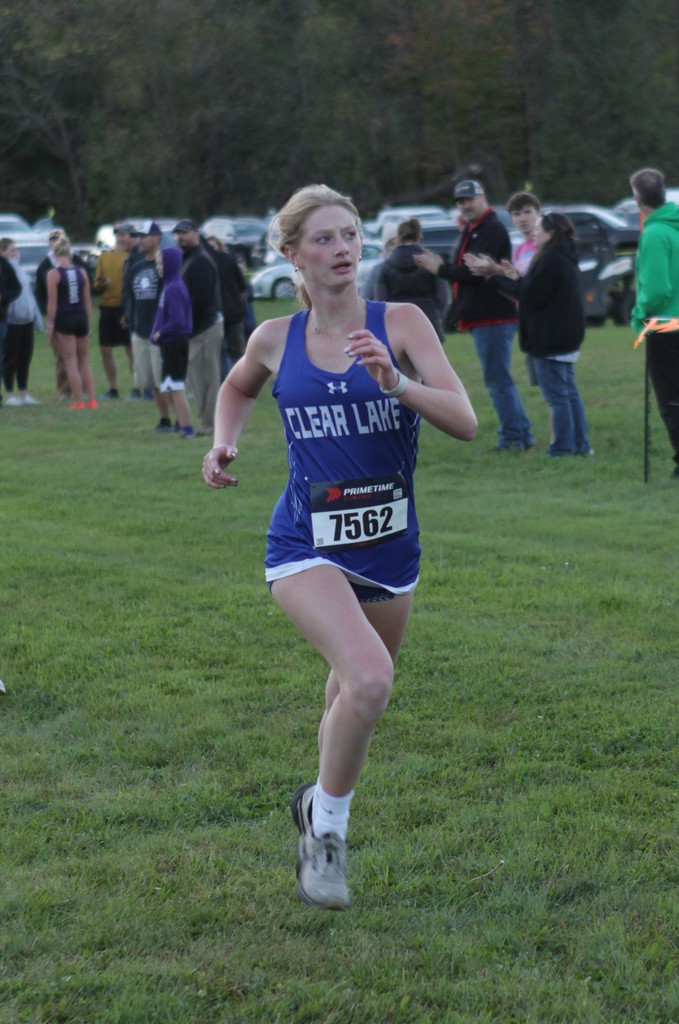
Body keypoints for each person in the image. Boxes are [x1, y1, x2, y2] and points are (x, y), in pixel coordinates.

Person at [202, 184, 477, 910]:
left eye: (351, 235)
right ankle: (327, 834)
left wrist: (396, 383)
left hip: (389, 550)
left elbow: (465, 419)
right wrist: (222, 443)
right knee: (369, 681)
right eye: (323, 239)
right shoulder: (274, 337)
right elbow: (235, 389)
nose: (343, 249)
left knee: (347, 697)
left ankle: (311, 801)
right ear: (291, 254)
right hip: (305, 543)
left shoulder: (403, 322)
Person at [414, 179, 535, 452]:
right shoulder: (474, 229)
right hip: (484, 316)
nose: (465, 205)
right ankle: (520, 434)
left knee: (497, 380)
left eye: (469, 199)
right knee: (498, 379)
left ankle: (515, 437)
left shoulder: (490, 229)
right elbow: (466, 267)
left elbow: (475, 271)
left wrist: (441, 269)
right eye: (460, 201)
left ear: (483, 198)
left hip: (494, 315)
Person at [469, 212, 590, 457]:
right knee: (569, 392)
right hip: (566, 334)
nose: (534, 233)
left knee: (557, 396)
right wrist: (514, 276)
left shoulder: (550, 259)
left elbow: (528, 295)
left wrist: (492, 277)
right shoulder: (564, 256)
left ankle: (563, 448)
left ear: (551, 233)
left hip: (550, 338)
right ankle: (580, 445)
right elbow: (536, 288)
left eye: (539, 229)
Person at [629, 167, 679, 476]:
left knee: (671, 398)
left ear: (637, 198)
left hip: (665, 325)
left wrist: (638, 313)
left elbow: (658, 289)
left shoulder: (655, 234)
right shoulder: (674, 228)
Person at [173, 219, 222, 436]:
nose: (180, 237)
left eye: (184, 232)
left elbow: (201, 300)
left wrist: (188, 327)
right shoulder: (188, 259)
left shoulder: (200, 260)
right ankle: (205, 422)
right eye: (178, 233)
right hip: (196, 329)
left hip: (205, 328)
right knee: (198, 379)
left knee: (208, 380)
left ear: (196, 234)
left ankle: (210, 425)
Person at [123, 220, 173, 432]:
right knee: (150, 381)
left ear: (156, 237)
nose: (140, 240)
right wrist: (130, 317)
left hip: (160, 331)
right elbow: (128, 294)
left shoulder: (166, 264)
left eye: (144, 236)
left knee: (165, 379)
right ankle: (164, 419)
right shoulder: (136, 265)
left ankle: (181, 418)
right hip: (140, 329)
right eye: (139, 236)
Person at [375, 218, 449, 341]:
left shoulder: (386, 266)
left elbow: (380, 300)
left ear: (398, 237)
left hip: (397, 324)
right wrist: (438, 315)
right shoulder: (430, 262)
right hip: (429, 322)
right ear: (418, 235)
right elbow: (443, 298)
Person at [46, 235, 97, 410]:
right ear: (70, 253)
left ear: (54, 254)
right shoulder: (81, 272)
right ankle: (91, 400)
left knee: (70, 362)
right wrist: (88, 323)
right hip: (81, 317)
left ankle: (77, 401)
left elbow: (52, 304)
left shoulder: (54, 274)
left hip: (64, 319)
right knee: (84, 361)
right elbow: (88, 301)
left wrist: (50, 325)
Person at [151, 247, 194, 438]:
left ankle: (187, 429)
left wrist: (161, 332)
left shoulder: (174, 287)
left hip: (175, 342)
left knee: (176, 387)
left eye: (160, 263)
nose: (157, 267)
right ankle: (181, 425)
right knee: (168, 386)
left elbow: (177, 320)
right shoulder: (168, 286)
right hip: (169, 343)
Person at [0, 238, 43, 405]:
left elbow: (28, 296)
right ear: (2, 252)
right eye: (11, 250)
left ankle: (24, 393)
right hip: (11, 320)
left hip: (27, 319)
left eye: (15, 250)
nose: (15, 253)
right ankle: (10, 394)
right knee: (10, 358)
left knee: (25, 357)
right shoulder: (5, 269)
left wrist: (37, 318)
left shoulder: (19, 270)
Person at [93, 233, 133, 399]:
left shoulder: (131, 257)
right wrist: (102, 283)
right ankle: (113, 388)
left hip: (124, 307)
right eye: (119, 236)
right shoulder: (104, 257)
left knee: (130, 348)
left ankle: (137, 387)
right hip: (107, 308)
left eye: (125, 236)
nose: (122, 239)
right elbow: (96, 285)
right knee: (105, 349)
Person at [206, 234, 248, 377]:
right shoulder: (224, 260)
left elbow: (242, 286)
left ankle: (240, 381)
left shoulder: (224, 260)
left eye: (213, 247)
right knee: (221, 353)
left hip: (229, 313)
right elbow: (243, 288)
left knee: (234, 351)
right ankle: (228, 381)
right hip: (221, 314)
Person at [0, 242, 22, 407]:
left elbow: (16, 287)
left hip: (1, 317)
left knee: (1, 355)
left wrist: (4, 298)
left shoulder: (4, 265)